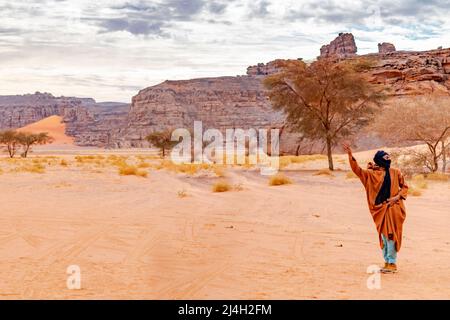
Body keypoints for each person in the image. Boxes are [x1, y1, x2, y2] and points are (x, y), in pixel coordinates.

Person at [342, 143, 408, 274]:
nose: (388, 161)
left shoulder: (395, 172)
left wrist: (396, 198)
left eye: (389, 159)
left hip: (393, 209)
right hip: (379, 210)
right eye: (385, 159)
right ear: (379, 160)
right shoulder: (370, 174)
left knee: (391, 236)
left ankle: (392, 263)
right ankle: (387, 262)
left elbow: (405, 187)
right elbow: (357, 170)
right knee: (384, 236)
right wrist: (350, 155)